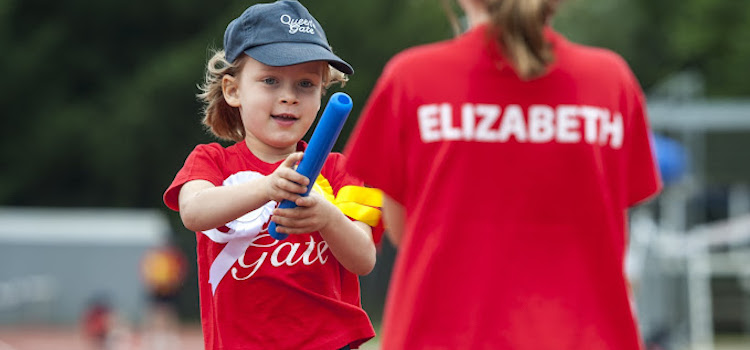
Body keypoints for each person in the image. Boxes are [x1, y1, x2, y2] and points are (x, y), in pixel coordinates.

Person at [344, 0, 662, 349]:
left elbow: (406, 231)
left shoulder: (411, 77)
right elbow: (614, 231)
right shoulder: (610, 81)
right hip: (587, 336)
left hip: (444, 335)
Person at [162, 1, 382, 349]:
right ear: (233, 90)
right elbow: (194, 212)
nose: (288, 97)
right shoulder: (212, 161)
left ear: (323, 90)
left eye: (306, 85)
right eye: (270, 80)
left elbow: (364, 258)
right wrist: (266, 187)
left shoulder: (343, 169)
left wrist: (326, 217)